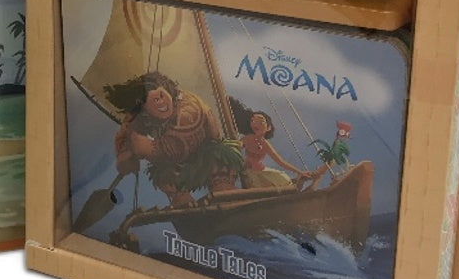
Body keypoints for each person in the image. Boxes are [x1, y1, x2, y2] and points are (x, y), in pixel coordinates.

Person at [106, 71, 222, 209]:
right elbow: (127, 133)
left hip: (207, 156)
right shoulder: (142, 115)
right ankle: (181, 200)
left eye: (161, 96)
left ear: (168, 90)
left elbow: (177, 147)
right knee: (162, 171)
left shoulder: (188, 109)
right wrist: (125, 155)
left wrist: (146, 148)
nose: (160, 102)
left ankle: (223, 192)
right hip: (178, 166)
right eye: (154, 100)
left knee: (220, 160)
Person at [239, 111, 318, 189]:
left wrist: (299, 172)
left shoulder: (266, 145)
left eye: (261, 122)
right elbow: (236, 146)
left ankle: (299, 180)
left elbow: (280, 162)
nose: (256, 124)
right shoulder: (248, 138)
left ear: (268, 128)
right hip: (249, 173)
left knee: (284, 179)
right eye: (253, 121)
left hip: (262, 172)